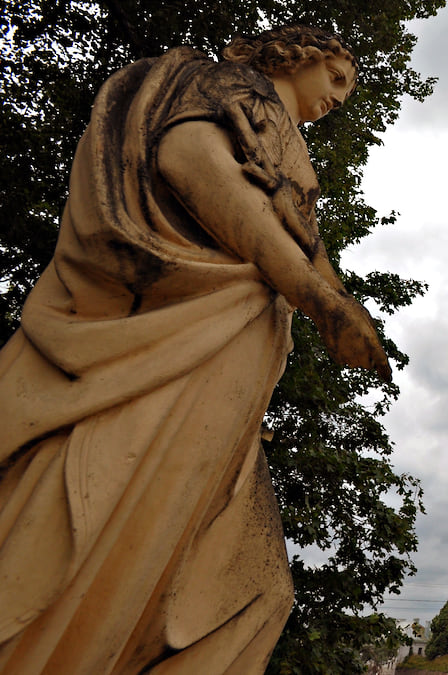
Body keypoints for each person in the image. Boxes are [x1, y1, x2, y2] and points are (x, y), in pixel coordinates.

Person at [0, 25, 387, 673]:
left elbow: (310, 251)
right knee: (130, 518)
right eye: (337, 77)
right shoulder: (235, 88)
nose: (340, 97)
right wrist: (320, 301)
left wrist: (338, 305)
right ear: (296, 54)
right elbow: (191, 161)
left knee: (252, 585)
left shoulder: (285, 138)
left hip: (236, 354)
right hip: (181, 332)